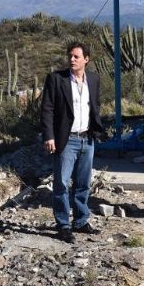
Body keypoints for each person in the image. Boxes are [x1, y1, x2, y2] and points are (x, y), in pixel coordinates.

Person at [40, 42, 105, 243]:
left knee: (83, 183)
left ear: (86, 59)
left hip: (87, 138)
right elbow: (47, 109)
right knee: (61, 182)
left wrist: (97, 128)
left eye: (76, 56)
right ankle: (63, 224)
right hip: (66, 140)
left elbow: (95, 104)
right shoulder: (56, 79)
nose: (72, 60)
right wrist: (49, 136)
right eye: (70, 56)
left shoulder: (93, 79)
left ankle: (81, 220)